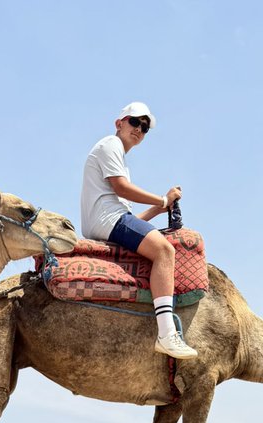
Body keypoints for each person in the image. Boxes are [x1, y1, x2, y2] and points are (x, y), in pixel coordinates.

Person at [81, 103, 197, 360]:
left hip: (111, 221)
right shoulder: (109, 145)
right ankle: (167, 334)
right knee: (165, 251)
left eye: (145, 128)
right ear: (119, 123)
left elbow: (130, 221)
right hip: (108, 220)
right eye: (135, 122)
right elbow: (122, 189)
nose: (139, 130)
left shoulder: (119, 158)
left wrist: (158, 209)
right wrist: (162, 200)